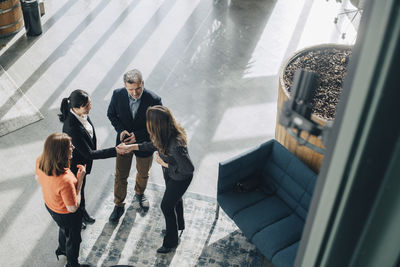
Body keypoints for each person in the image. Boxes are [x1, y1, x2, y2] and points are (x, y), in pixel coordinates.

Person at [117, 106, 194, 253]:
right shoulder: (164, 134)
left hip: (180, 178)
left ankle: (171, 242)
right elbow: (152, 145)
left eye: (149, 121)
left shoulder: (175, 144)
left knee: (166, 206)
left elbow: (188, 169)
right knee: (175, 200)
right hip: (171, 174)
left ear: (156, 124)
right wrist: (131, 147)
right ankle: (178, 226)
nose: (147, 123)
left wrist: (165, 164)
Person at [107, 69, 162, 222]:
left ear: (142, 83)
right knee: (120, 175)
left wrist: (138, 135)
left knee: (143, 172)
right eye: (130, 89)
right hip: (123, 143)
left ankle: (139, 193)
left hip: (144, 143)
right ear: (125, 87)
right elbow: (111, 114)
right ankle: (119, 204)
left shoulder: (154, 99)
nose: (135, 93)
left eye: (137, 88)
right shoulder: (117, 94)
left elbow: (158, 124)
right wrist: (121, 130)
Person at [59, 89, 117, 228]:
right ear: (75, 108)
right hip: (74, 166)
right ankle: (76, 220)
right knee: (75, 192)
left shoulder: (81, 114)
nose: (90, 107)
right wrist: (116, 151)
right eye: (86, 106)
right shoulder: (72, 127)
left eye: (90, 103)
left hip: (82, 163)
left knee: (81, 188)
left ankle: (82, 212)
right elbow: (89, 153)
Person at [35, 133, 89, 267]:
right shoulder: (66, 180)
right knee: (74, 239)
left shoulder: (41, 160)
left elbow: (38, 178)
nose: (74, 148)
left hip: (51, 205)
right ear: (62, 152)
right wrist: (80, 181)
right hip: (66, 214)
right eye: (70, 147)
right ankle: (72, 264)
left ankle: (62, 249)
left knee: (64, 229)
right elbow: (73, 208)